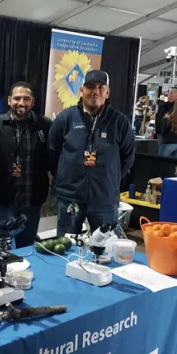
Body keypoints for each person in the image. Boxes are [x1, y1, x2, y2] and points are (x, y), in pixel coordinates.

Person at [49, 70, 135, 237]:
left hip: (104, 199)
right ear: (81, 91)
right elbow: (52, 153)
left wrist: (110, 178)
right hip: (70, 197)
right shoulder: (65, 119)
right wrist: (66, 175)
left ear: (107, 92)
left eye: (100, 87)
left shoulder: (119, 122)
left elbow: (127, 158)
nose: (95, 91)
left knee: (105, 247)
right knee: (66, 246)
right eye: (90, 87)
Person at [0, 82, 52, 248]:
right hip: (4, 201)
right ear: (9, 100)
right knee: (1, 248)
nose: (22, 102)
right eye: (17, 98)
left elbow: (52, 158)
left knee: (26, 248)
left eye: (26, 98)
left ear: (33, 102)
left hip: (32, 201)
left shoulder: (45, 126)